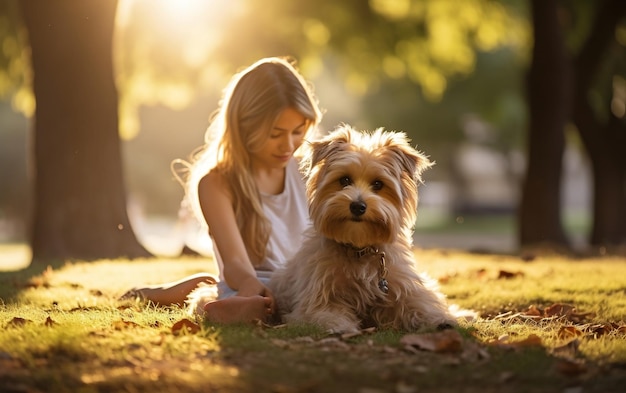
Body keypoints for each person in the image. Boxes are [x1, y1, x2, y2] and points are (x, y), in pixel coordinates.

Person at [120, 57, 323, 324]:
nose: (288, 145)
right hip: (251, 282)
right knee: (237, 296)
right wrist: (251, 287)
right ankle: (197, 301)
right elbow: (236, 262)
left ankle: (193, 293)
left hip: (308, 280)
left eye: (298, 131)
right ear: (244, 125)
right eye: (275, 134)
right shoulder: (216, 183)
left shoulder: (312, 168)